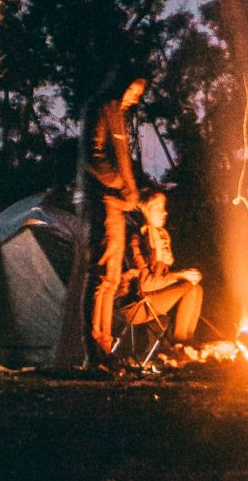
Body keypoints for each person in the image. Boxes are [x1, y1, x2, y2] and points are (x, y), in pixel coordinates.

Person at [73, 72, 147, 368]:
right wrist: (121, 185)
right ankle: (94, 351)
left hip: (115, 203)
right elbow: (94, 155)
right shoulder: (101, 109)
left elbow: (121, 160)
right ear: (121, 84)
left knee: (112, 279)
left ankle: (104, 348)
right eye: (133, 90)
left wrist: (132, 193)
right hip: (101, 201)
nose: (136, 98)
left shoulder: (117, 115)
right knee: (101, 275)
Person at [119, 191, 205, 344]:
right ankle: (179, 345)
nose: (164, 212)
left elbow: (161, 280)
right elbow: (145, 284)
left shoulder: (160, 237)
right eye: (158, 208)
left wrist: (181, 274)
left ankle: (186, 343)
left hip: (153, 298)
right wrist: (179, 275)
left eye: (164, 207)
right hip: (136, 304)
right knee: (188, 287)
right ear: (145, 211)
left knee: (196, 288)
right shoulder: (135, 240)